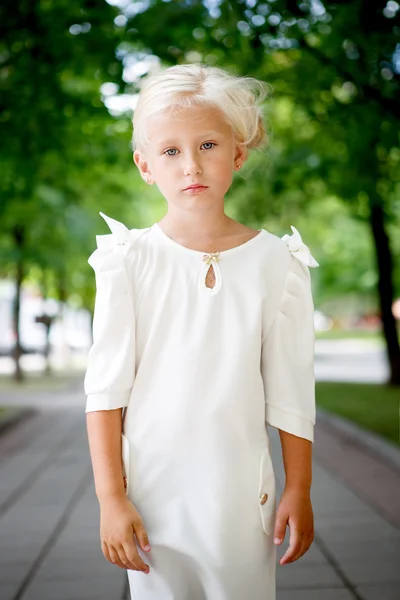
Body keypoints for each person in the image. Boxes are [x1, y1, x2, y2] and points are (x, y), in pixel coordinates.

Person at [84, 63, 320, 600]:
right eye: (170, 151)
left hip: (242, 494)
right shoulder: (127, 261)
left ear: (237, 154)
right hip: (152, 495)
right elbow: (105, 391)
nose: (191, 164)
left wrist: (299, 488)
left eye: (208, 144)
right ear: (145, 165)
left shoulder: (278, 264)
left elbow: (290, 390)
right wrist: (111, 499)